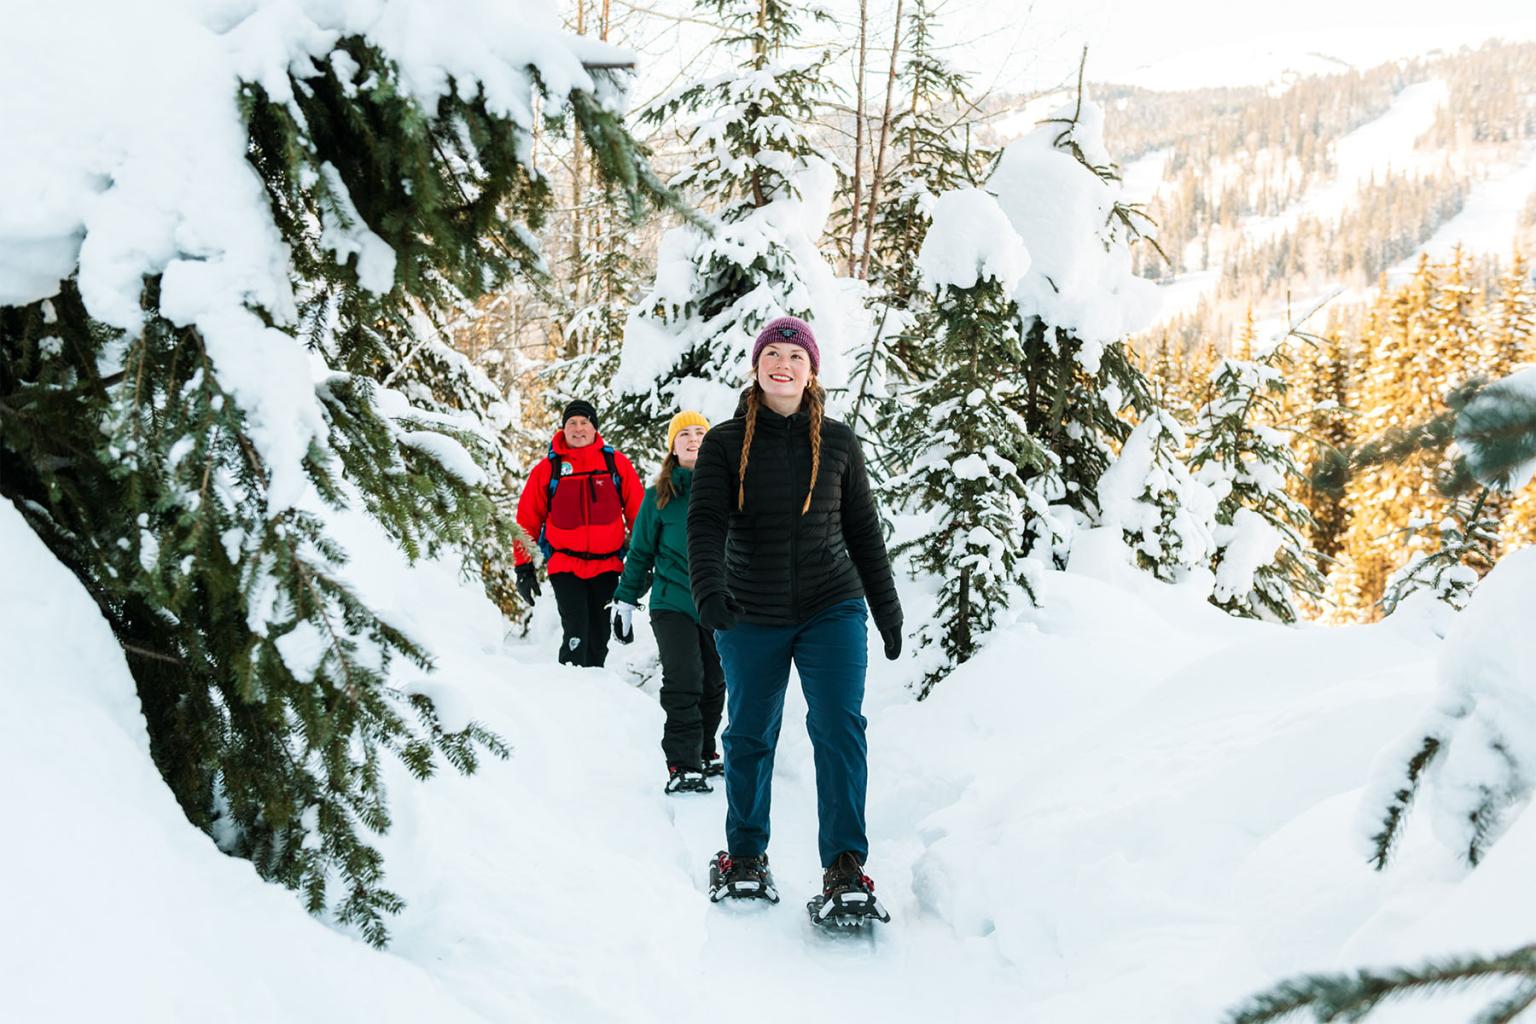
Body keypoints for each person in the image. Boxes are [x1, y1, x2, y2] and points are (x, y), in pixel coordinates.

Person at [687, 315, 903, 918]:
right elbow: (703, 525)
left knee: (838, 727)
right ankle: (745, 854)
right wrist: (708, 590)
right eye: (773, 354)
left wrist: (886, 611)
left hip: (832, 605)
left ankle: (844, 866)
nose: (783, 364)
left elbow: (862, 531)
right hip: (748, 609)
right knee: (751, 732)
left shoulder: (838, 441)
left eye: (796, 357)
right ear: (757, 366)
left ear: (813, 373)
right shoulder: (726, 443)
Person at [610, 411, 726, 795]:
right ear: (672, 447)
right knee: (685, 679)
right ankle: (683, 762)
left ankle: (706, 751)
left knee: (715, 681)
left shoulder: (729, 488)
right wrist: (625, 601)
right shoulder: (659, 496)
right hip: (671, 602)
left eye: (700, 433)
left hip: (716, 602)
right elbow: (641, 553)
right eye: (685, 435)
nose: (694, 439)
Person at [514, 399, 642, 668]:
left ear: (594, 428)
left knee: (599, 636)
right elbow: (527, 521)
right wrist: (523, 569)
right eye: (572, 423)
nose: (578, 428)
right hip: (565, 564)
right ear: (563, 429)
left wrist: (644, 563)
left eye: (584, 422)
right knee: (576, 632)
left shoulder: (614, 463)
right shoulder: (548, 469)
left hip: (607, 565)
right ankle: (569, 692)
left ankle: (593, 695)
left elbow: (639, 516)